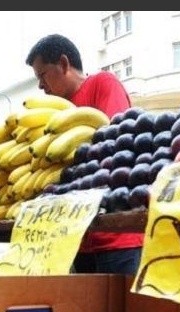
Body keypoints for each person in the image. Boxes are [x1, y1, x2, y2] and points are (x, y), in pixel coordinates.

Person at [25, 33, 143, 275]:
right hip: (79, 238)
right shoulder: (52, 115)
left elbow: (114, 145)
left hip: (116, 238)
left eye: (42, 75)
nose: (40, 85)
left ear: (64, 64)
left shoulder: (103, 83)